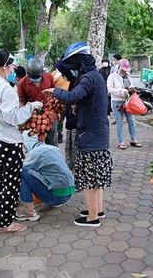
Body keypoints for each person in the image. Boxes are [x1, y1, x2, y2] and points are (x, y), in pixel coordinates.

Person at [42, 41, 113, 228]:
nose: (72, 70)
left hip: (91, 134)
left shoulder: (88, 78)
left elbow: (73, 96)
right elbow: (86, 101)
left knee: (90, 179)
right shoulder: (95, 76)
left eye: (73, 65)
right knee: (96, 178)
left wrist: (55, 91)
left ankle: (92, 218)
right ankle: (97, 210)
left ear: (80, 62)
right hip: (99, 132)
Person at [0, 50, 44, 233]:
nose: (14, 69)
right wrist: (31, 107)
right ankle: (6, 223)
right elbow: (12, 117)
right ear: (4, 67)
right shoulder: (7, 90)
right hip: (9, 143)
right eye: (12, 65)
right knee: (11, 183)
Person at [16, 134, 76, 222]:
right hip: (68, 193)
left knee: (19, 171)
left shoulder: (35, 153)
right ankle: (54, 200)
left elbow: (23, 171)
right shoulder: (53, 148)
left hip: (56, 197)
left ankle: (29, 211)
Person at [17, 58, 58, 146]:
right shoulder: (21, 84)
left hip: (48, 114)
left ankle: (54, 158)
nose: (36, 80)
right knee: (33, 143)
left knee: (52, 141)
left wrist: (55, 111)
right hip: (32, 116)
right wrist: (21, 119)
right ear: (28, 74)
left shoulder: (49, 77)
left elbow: (54, 93)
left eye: (38, 77)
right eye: (34, 78)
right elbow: (21, 102)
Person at [108, 59, 142, 149]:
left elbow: (131, 86)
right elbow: (110, 89)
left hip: (127, 102)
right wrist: (122, 92)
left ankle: (133, 139)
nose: (124, 71)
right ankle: (121, 141)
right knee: (119, 122)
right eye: (123, 69)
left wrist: (131, 90)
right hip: (117, 102)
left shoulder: (128, 77)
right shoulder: (112, 76)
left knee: (131, 120)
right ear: (118, 67)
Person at [54, 60, 79, 171]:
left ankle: (78, 179)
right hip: (70, 123)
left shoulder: (78, 82)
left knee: (76, 154)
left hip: (77, 124)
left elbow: (72, 98)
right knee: (70, 156)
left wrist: (56, 93)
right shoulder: (72, 82)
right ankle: (72, 177)